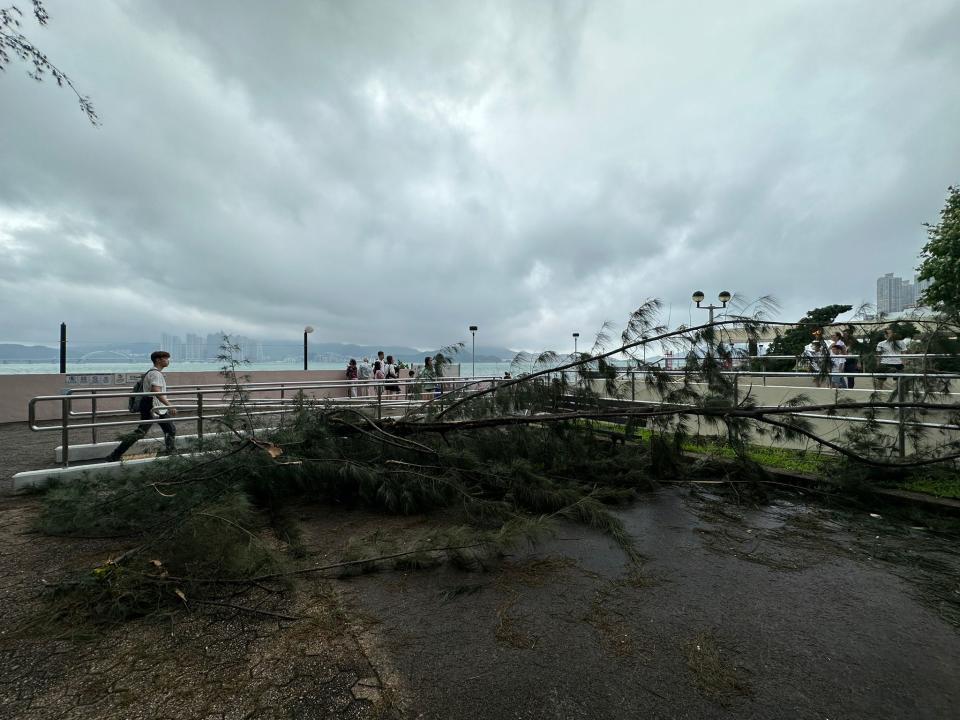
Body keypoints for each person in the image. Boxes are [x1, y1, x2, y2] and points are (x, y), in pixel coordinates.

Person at [108, 350, 177, 461]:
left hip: (154, 406)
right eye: (166, 358)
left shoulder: (152, 372)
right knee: (141, 432)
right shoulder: (155, 373)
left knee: (170, 429)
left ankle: (170, 453)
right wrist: (170, 405)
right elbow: (156, 391)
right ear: (158, 360)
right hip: (153, 406)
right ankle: (114, 455)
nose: (168, 360)